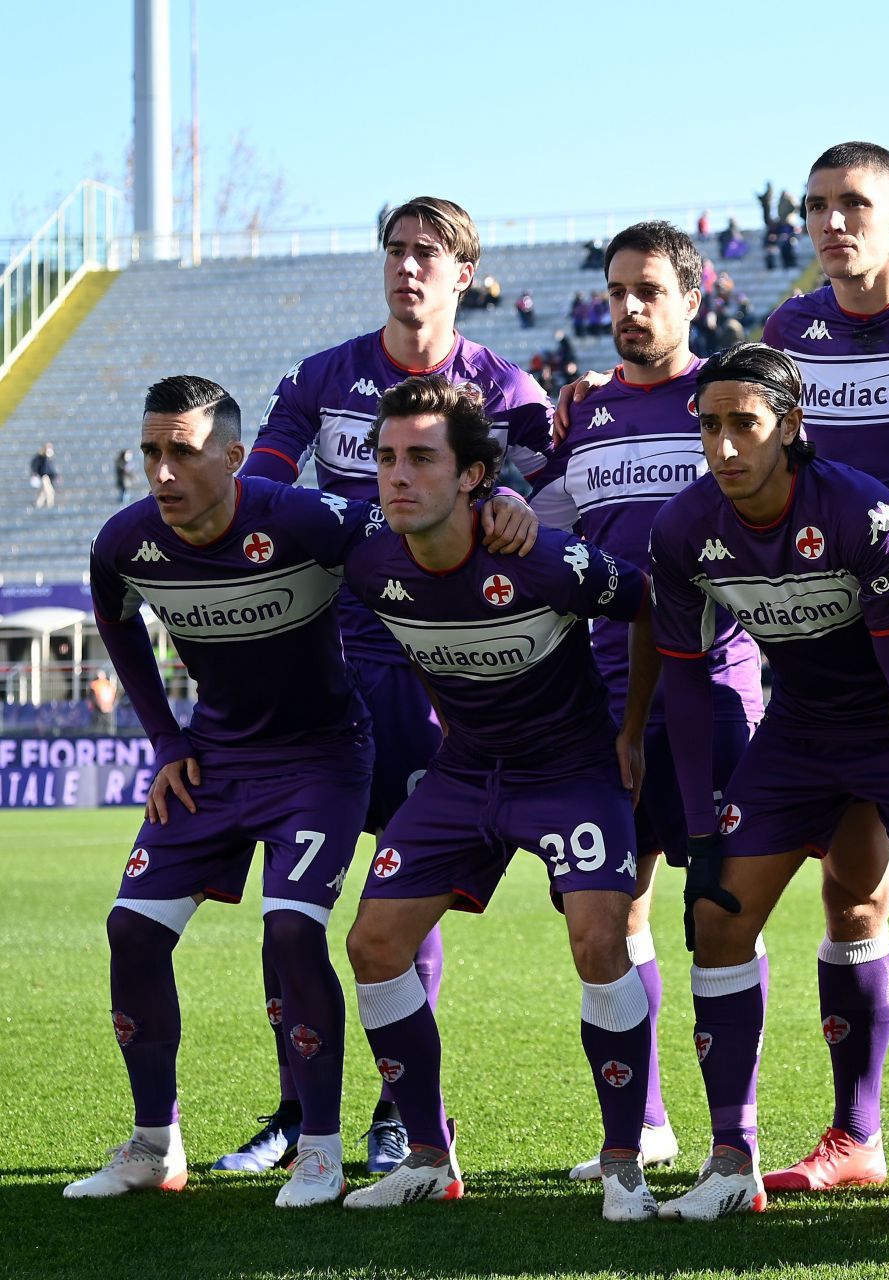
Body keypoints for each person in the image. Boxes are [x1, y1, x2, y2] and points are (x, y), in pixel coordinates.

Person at [555, 142, 889, 1193]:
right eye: (815, 207)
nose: (831, 223)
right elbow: (720, 396)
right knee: (821, 903)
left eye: (853, 204)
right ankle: (821, 1141)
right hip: (812, 674)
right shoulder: (784, 337)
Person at [235, 195, 553, 1174]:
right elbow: (262, 489)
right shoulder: (326, 376)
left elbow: (524, 502)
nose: (409, 266)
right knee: (292, 899)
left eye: (430, 253)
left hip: (436, 674)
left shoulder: (503, 388)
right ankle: (298, 1107)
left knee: (401, 888)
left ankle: (394, 1109)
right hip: (324, 665)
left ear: (465, 272)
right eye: (397, 250)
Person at [647, 344, 889, 1229]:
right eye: (710, 426)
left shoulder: (861, 510)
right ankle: (732, 1158)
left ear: (791, 427)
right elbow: (683, 682)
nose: (723, 446)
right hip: (798, 732)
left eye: (744, 425)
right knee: (716, 914)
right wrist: (698, 828)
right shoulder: (685, 529)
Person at [337, 376, 659, 1222]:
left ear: (473, 476)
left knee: (599, 941)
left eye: (420, 458)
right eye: (385, 458)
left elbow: (648, 603)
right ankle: (428, 1157)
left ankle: (625, 1160)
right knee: (373, 945)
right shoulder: (367, 559)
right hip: (465, 771)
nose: (396, 476)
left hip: (571, 770)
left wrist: (630, 732)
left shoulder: (541, 559)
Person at [69, 376, 376, 1209]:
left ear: (234, 457)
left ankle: (320, 1148)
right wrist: (167, 740)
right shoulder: (125, 543)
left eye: (183, 451)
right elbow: (117, 622)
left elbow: (409, 545)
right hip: (215, 762)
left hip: (320, 761)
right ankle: (154, 1144)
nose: (162, 472)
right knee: (130, 931)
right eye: (151, 452)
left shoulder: (302, 519)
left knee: (290, 936)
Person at [532, 221, 765, 1181]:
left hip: (713, 692)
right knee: (610, 909)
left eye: (650, 292)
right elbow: (543, 540)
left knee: (718, 909)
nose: (629, 309)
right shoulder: (577, 418)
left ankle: (737, 1137)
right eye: (618, 292)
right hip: (604, 699)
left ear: (694, 296)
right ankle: (648, 1123)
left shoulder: (733, 400)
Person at [31, 442, 57, 508]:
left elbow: (50, 468)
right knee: (49, 492)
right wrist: (35, 473)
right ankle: (50, 505)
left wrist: (54, 475)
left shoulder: (48, 457)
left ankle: (38, 505)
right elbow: (36, 466)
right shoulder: (41, 457)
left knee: (43, 493)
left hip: (48, 477)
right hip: (44, 476)